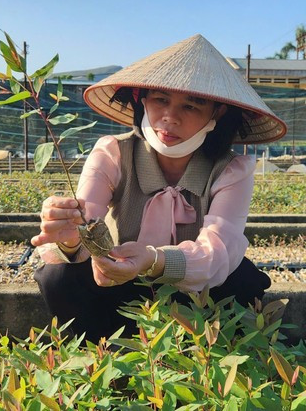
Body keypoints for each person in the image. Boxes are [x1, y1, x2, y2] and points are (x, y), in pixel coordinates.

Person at [31, 34, 287, 342]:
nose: (170, 117)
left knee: (243, 280)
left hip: (193, 292)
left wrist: (155, 260)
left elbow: (218, 251)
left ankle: (203, 351)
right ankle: (104, 350)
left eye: (191, 106)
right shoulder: (113, 152)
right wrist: (71, 239)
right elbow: (88, 216)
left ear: (217, 113)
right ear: (141, 98)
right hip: (118, 279)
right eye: (160, 100)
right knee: (59, 275)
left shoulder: (231, 170)